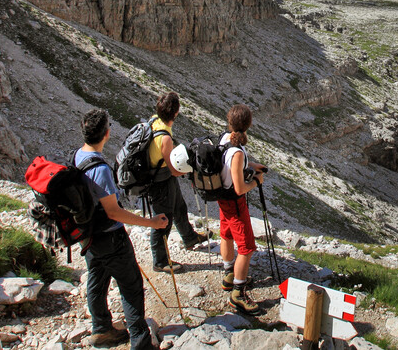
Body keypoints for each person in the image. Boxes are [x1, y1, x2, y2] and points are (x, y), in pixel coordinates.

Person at [75, 109, 169, 349]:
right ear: (106, 134)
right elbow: (114, 212)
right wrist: (152, 222)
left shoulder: (78, 156)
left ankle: (101, 329)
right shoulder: (101, 170)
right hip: (111, 238)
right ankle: (140, 340)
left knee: (97, 280)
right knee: (131, 285)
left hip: (89, 236)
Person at [145, 92, 208, 272]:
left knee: (179, 206)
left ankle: (189, 237)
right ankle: (160, 261)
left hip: (160, 175)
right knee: (163, 219)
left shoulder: (154, 120)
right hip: (160, 180)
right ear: (176, 113)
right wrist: (189, 170)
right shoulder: (165, 138)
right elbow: (173, 169)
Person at [217, 103, 267, 314]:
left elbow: (229, 166)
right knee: (246, 248)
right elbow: (239, 188)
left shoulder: (225, 139)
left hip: (221, 199)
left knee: (226, 235)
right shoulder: (238, 152)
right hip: (235, 204)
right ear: (248, 125)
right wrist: (257, 181)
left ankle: (230, 273)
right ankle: (238, 293)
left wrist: (251, 166)